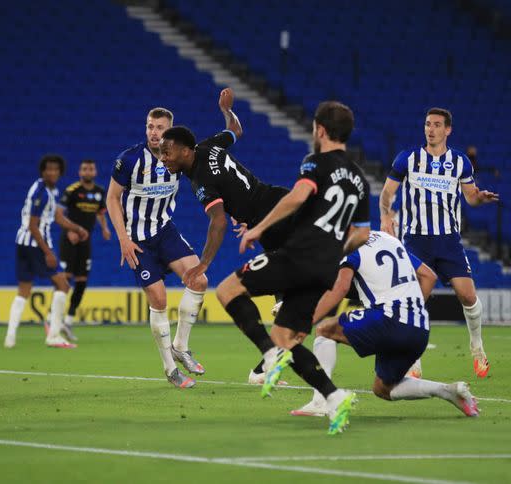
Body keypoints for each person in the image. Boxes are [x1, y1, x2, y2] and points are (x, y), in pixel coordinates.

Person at [221, 101, 370, 434]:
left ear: (320, 129)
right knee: (286, 337)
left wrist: (258, 228)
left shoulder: (315, 163)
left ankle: (269, 357)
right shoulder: (360, 178)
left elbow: (297, 196)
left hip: (298, 255)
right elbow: (362, 233)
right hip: (326, 268)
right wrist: (335, 250)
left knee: (227, 290)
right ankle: (334, 398)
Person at [158, 88, 294, 385]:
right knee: (296, 286)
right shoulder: (207, 146)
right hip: (270, 207)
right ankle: (264, 366)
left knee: (306, 273)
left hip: (270, 216)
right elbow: (235, 129)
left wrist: (203, 264)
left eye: (166, 152)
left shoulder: (200, 179)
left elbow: (218, 223)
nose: (163, 159)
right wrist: (227, 111)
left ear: (184, 150)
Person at [291, 230, 479, 419]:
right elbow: (429, 276)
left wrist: (305, 319)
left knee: (324, 330)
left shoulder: (349, 245)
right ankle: (446, 391)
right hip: (419, 327)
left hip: (388, 318)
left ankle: (321, 401)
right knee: (383, 388)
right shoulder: (388, 238)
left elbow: (340, 287)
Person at [379, 108, 499, 378]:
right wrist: (386, 216)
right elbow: (387, 193)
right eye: (427, 124)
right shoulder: (408, 159)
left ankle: (477, 348)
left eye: (436, 125)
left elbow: (470, 197)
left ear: (448, 130)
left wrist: (481, 197)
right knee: (415, 300)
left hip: (448, 241)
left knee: (468, 295)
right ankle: (413, 360)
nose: (430, 129)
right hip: (415, 241)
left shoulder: (460, 162)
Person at [107, 101, 219, 388]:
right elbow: (112, 199)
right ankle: (170, 369)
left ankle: (180, 346)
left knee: (199, 280)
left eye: (160, 128)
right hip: (138, 240)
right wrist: (123, 239)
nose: (154, 132)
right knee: (159, 299)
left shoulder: (178, 159)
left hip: (165, 232)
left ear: (170, 132)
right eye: (150, 126)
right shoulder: (129, 160)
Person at [4, 154, 89, 349]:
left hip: (21, 242)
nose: (52, 172)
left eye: (55, 169)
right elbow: (34, 226)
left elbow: (57, 217)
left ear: (60, 172)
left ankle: (10, 338)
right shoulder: (42, 193)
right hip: (36, 244)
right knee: (63, 286)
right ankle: (54, 336)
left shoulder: (45, 188)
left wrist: (76, 228)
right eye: (48, 169)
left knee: (23, 290)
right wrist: (48, 252)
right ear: (43, 171)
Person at [56, 159, 111, 341]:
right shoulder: (72, 191)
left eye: (91, 169)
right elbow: (59, 213)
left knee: (81, 282)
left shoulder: (99, 192)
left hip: (85, 241)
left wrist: (104, 228)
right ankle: (54, 321)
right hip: (69, 240)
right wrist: (70, 230)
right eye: (85, 169)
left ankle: (68, 322)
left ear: (95, 172)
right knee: (65, 279)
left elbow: (100, 213)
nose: (88, 171)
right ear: (80, 172)